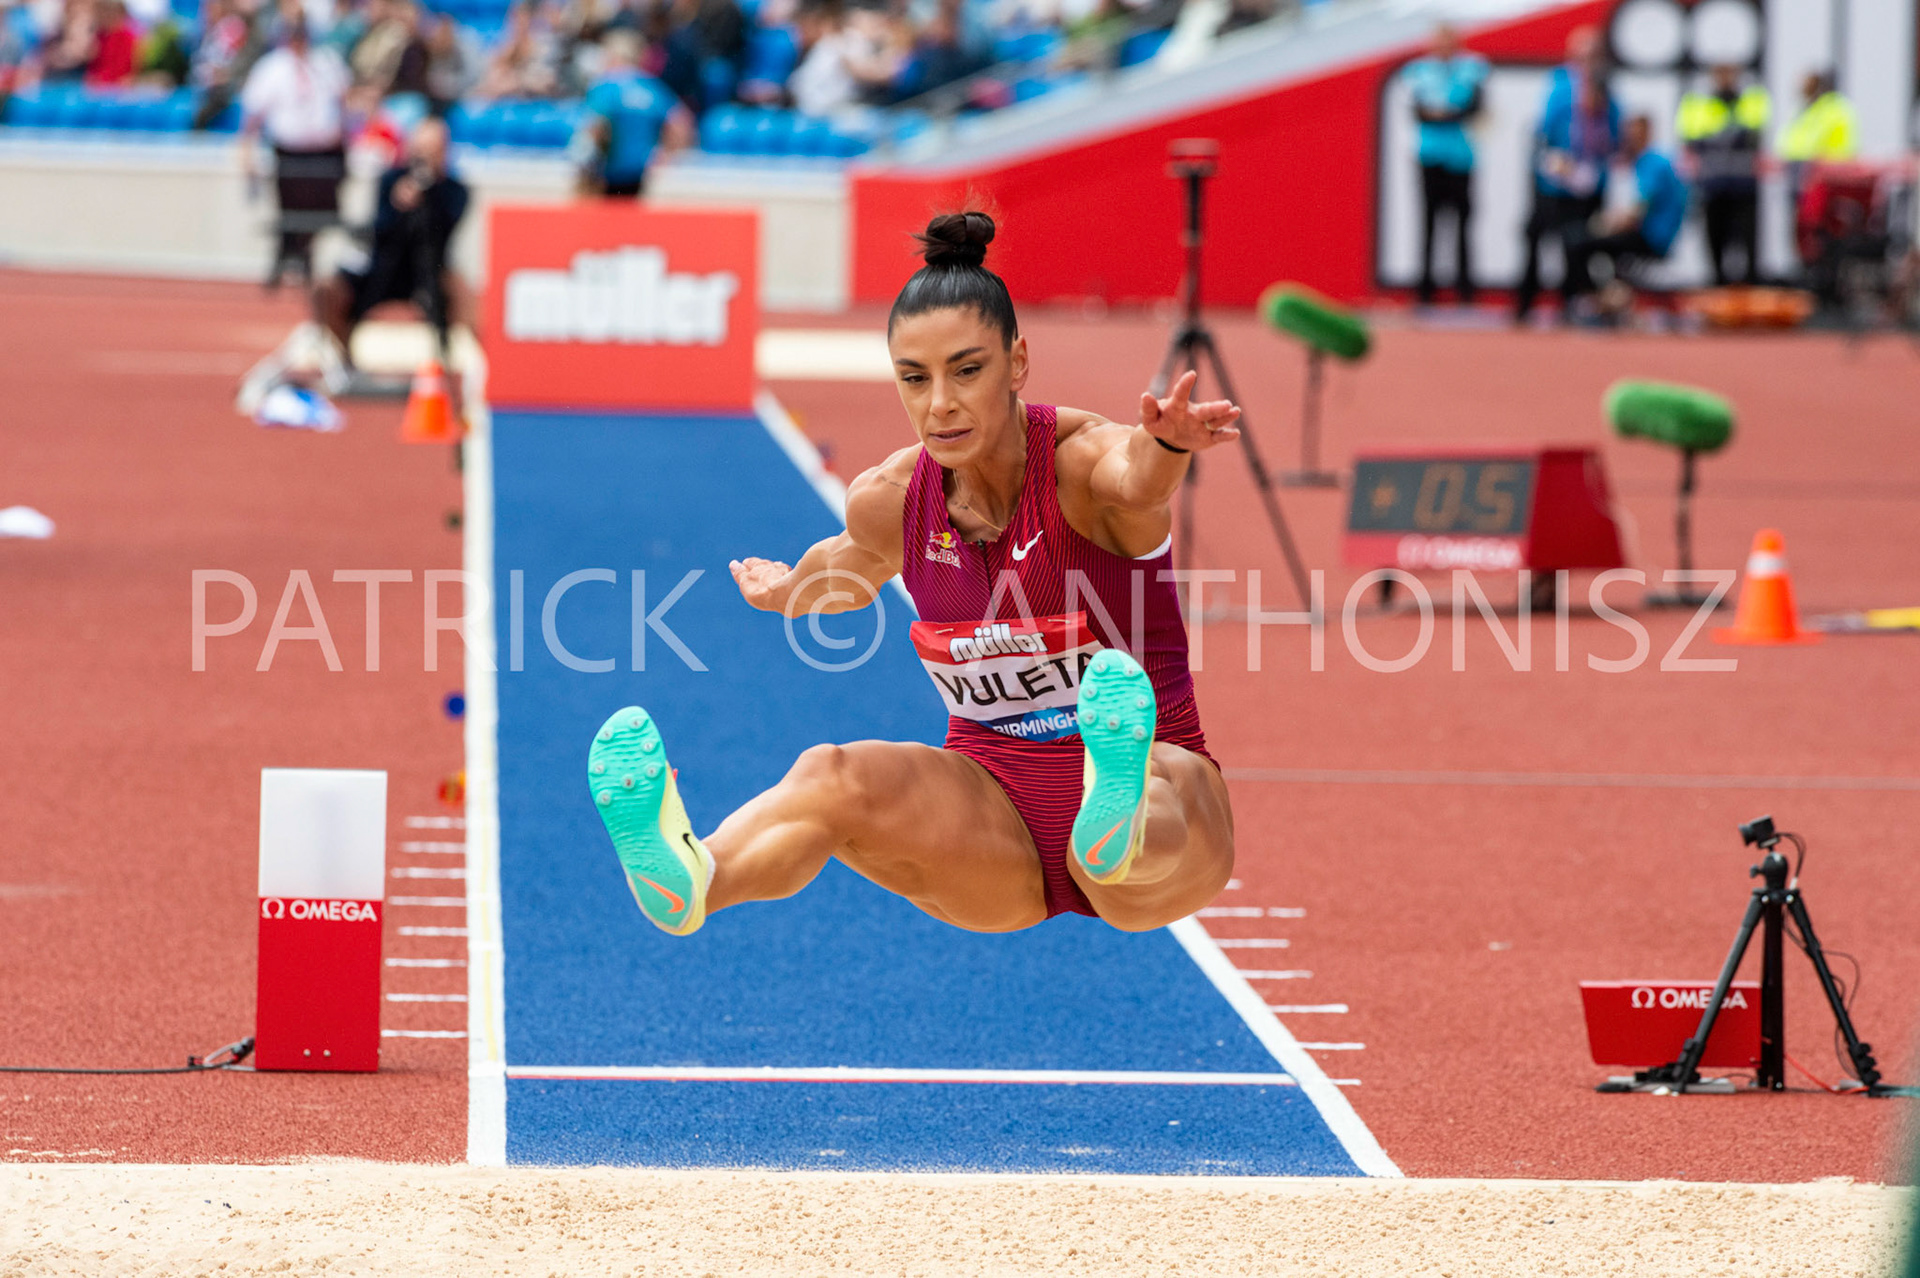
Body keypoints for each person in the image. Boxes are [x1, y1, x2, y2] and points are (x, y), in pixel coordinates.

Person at [587, 211, 1239, 937]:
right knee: (831, 775)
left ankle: (1115, 812)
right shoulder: (892, 500)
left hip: (1164, 802)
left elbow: (1137, 479)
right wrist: (786, 594)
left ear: (1017, 361)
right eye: (914, 378)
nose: (940, 404)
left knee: (1155, 796)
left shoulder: (1082, 462)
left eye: (967, 370)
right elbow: (845, 571)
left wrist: (1167, 447)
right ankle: (698, 875)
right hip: (994, 813)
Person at [312, 115, 468, 363]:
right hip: (382, 269)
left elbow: (445, 229)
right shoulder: (391, 180)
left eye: (432, 151)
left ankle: (451, 366)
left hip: (428, 273)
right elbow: (379, 229)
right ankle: (344, 359)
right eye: (420, 150)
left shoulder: (455, 190)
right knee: (326, 289)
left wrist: (430, 195)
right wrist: (398, 206)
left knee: (462, 292)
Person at [239, 8, 350, 287]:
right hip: (289, 151)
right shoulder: (271, 67)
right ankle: (284, 260)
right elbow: (252, 115)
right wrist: (247, 152)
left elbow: (345, 101)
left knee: (321, 213)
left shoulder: (326, 62)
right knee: (289, 212)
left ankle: (306, 258)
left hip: (324, 151)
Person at [1514, 30, 1618, 322]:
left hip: (1588, 184)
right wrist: (1557, 163)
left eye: (1592, 55)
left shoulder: (1608, 88)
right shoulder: (1559, 86)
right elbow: (1544, 131)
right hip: (1553, 181)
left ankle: (1572, 302)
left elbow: (1613, 136)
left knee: (1578, 244)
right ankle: (1525, 304)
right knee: (1536, 237)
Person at [1563, 114, 1687, 320]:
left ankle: (1596, 301)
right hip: (1645, 233)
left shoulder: (1654, 163)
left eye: (1635, 133)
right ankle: (1609, 297)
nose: (1630, 138)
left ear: (1647, 133)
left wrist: (1606, 224)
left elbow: (1636, 212)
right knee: (1590, 243)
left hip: (1652, 237)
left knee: (1580, 244)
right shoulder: (1641, 163)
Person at [1397, 22, 1486, 306]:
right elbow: (1417, 111)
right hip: (1430, 155)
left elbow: (1474, 108)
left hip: (1461, 156)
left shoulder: (1472, 68)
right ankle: (1425, 291)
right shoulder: (1419, 71)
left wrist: (1443, 114)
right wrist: (1448, 113)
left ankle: (1466, 291)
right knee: (1428, 223)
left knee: (1463, 225)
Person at [1677, 62, 1768, 286]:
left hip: (1744, 185)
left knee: (1748, 243)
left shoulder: (1751, 101)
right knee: (1715, 242)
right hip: (1713, 185)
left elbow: (1753, 136)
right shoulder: (1698, 106)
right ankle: (1717, 290)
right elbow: (1691, 141)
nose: (1725, 79)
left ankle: (1750, 291)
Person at [576, 29, 684, 196]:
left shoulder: (605, 87)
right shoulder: (653, 87)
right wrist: (665, 155)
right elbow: (681, 125)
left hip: (608, 173)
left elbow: (595, 126)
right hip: (640, 172)